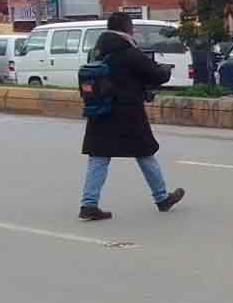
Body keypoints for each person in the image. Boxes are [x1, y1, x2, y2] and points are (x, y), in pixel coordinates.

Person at [79, 12, 185, 221]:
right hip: (128, 114)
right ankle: (162, 197)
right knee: (145, 153)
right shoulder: (129, 52)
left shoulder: (97, 51)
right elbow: (155, 75)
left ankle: (89, 204)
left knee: (99, 156)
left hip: (100, 112)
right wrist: (165, 69)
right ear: (127, 28)